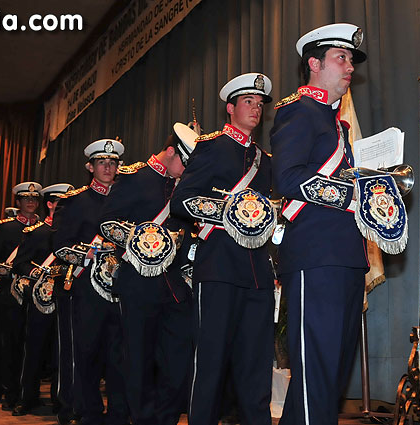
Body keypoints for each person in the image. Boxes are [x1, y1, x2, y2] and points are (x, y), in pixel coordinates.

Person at [270, 23, 369, 424]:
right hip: (315, 253)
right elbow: (288, 178)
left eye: (350, 60)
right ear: (314, 64)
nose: (349, 67)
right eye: (340, 58)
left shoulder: (338, 124)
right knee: (317, 365)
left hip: (346, 252)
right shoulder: (297, 110)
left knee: (332, 369)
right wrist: (349, 193)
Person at [171, 73, 275, 425]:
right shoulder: (212, 146)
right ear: (230, 108)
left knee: (256, 362)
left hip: (259, 272)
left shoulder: (266, 159)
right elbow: (181, 201)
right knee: (211, 360)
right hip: (218, 268)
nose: (256, 109)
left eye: (260, 104)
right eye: (249, 102)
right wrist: (230, 210)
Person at [99, 123, 197, 424]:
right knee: (138, 360)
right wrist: (140, 239)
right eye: (185, 161)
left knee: (177, 360)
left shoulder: (184, 185)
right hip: (139, 284)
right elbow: (107, 224)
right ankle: (143, 419)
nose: (186, 170)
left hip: (175, 287)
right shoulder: (133, 178)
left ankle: (166, 417)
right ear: (170, 152)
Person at [52, 139, 128, 425]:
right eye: (102, 162)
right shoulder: (74, 201)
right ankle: (89, 412)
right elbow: (60, 246)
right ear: (90, 166)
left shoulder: (127, 199)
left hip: (121, 290)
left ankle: (119, 414)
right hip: (86, 289)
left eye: (113, 163)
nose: (108, 167)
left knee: (119, 356)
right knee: (87, 354)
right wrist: (94, 252)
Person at [11, 183, 73, 416]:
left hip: (66, 299)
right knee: (34, 351)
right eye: (59, 203)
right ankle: (26, 398)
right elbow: (20, 264)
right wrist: (39, 274)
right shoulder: (37, 233)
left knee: (63, 353)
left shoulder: (71, 234)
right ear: (49, 204)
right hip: (40, 302)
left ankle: (61, 402)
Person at [0, 181, 42, 409]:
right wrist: (9, 271)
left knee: (31, 346)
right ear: (17, 202)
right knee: (7, 346)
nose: (30, 202)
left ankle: (28, 392)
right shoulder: (6, 229)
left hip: (34, 296)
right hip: (9, 295)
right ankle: (6, 391)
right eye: (26, 198)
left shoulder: (43, 228)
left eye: (34, 199)